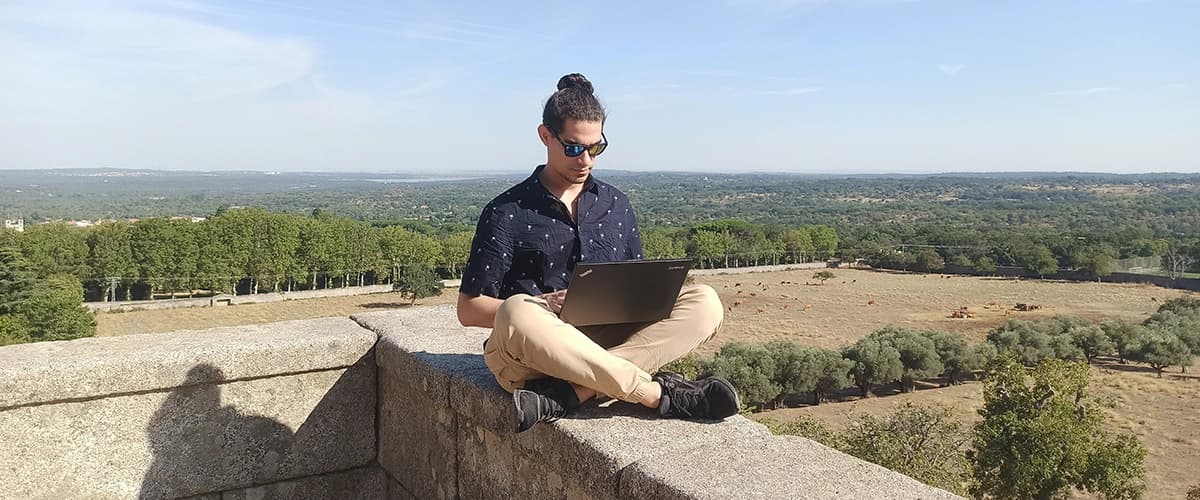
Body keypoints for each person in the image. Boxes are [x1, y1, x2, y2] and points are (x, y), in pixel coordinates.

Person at [456, 73, 739, 433]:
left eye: (596, 148)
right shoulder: (506, 211)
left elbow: (637, 290)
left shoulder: (616, 204)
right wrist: (544, 303)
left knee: (706, 302)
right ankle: (656, 395)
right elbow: (469, 309)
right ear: (545, 136)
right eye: (574, 148)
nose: (586, 160)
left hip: (602, 345)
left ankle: (571, 393)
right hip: (532, 355)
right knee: (516, 309)